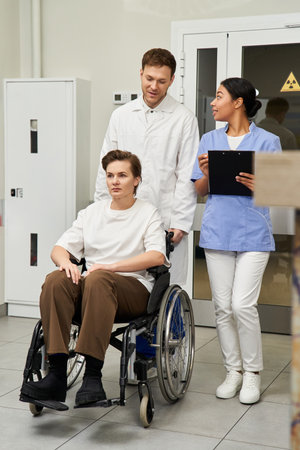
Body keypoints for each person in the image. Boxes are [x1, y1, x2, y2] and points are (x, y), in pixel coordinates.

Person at [21, 150, 167, 406]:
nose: (115, 181)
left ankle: (92, 377)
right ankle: (56, 375)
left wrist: (111, 267)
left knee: (99, 279)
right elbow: (58, 249)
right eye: (110, 175)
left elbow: (156, 256)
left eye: (122, 175)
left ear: (136, 180)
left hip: (133, 288)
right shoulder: (92, 213)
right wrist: (66, 262)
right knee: (56, 279)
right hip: (94, 287)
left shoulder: (148, 213)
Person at [191, 77, 281, 404]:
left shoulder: (268, 141)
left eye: (219, 97)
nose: (213, 103)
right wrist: (207, 174)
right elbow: (199, 190)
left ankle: (253, 374)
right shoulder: (208, 139)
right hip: (217, 232)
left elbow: (280, 191)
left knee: (243, 304)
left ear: (238, 102)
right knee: (222, 307)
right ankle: (234, 371)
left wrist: (262, 184)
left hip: (254, 234)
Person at [94, 48, 199, 284]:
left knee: (165, 287)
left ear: (172, 80)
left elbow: (186, 174)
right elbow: (107, 167)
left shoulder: (183, 118)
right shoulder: (121, 116)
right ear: (141, 74)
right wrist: (102, 209)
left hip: (165, 219)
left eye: (162, 81)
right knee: (123, 283)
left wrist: (180, 223)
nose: (154, 86)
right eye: (149, 79)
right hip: (124, 217)